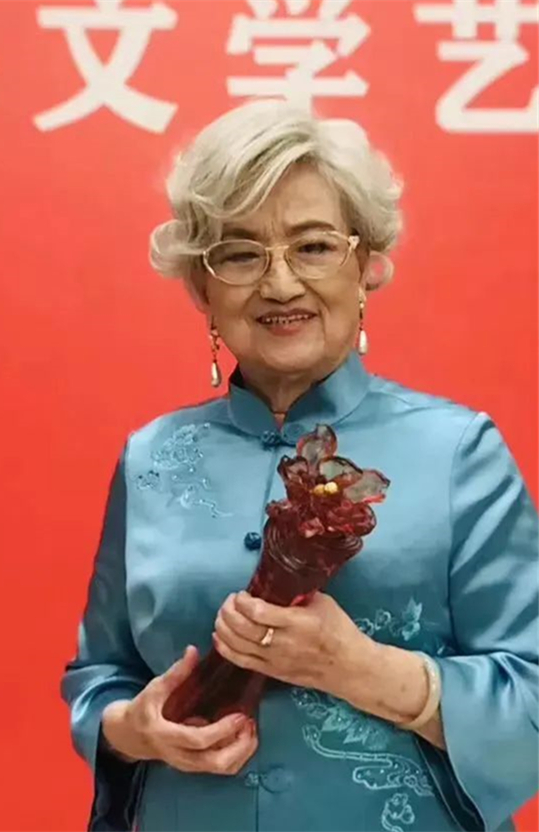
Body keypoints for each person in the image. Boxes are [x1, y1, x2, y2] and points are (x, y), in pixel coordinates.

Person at [62, 100, 538, 832]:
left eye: (313, 247)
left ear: (365, 267)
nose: (280, 284)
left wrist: (365, 671)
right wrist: (136, 729)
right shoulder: (151, 458)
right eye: (240, 254)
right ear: (202, 287)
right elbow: (100, 676)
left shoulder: (458, 452)